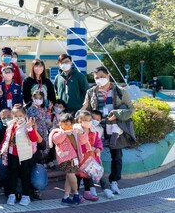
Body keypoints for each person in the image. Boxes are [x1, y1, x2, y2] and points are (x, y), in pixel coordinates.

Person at [81, 66, 135, 195]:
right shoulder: (91, 92)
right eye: (96, 77)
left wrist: (117, 114)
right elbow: (85, 108)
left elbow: (131, 109)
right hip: (97, 127)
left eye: (102, 76)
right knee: (91, 155)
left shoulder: (120, 91)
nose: (99, 79)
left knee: (116, 156)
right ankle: (90, 182)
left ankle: (114, 181)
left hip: (115, 127)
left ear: (108, 76)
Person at [0, 106, 39, 206]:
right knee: (12, 175)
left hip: (25, 155)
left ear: (25, 115)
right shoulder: (11, 125)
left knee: (25, 175)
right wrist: (1, 149)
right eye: (15, 115)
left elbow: (34, 139)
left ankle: (26, 196)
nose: (18, 117)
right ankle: (11, 195)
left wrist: (30, 128)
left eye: (20, 115)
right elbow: (6, 138)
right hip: (13, 154)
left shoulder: (28, 125)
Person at [49, 113, 82, 205]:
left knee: (69, 177)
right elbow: (57, 140)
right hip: (64, 159)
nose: (68, 126)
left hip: (74, 158)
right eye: (65, 124)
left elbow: (82, 141)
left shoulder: (74, 133)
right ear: (60, 123)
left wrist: (81, 133)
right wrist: (65, 133)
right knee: (71, 176)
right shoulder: (56, 132)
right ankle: (76, 193)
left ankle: (66, 196)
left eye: (70, 124)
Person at [74, 110, 104, 202]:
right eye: (85, 120)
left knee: (88, 175)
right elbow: (77, 144)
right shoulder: (77, 131)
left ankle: (87, 192)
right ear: (79, 121)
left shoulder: (93, 131)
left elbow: (98, 141)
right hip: (81, 157)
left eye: (90, 120)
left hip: (91, 157)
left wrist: (98, 148)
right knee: (78, 176)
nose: (88, 122)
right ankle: (76, 194)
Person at [26, 90, 52, 158]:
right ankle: (39, 160)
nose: (38, 100)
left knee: (45, 145)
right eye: (36, 98)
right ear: (32, 98)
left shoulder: (44, 108)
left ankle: (45, 159)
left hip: (44, 130)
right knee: (37, 145)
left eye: (40, 98)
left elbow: (47, 117)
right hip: (36, 130)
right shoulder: (30, 109)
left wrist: (49, 110)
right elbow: (35, 118)